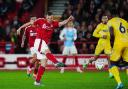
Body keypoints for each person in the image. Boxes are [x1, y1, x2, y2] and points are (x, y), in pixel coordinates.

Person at [17, 11, 74, 86]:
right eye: (48, 18)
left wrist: (68, 19)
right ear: (46, 17)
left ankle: (37, 81)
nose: (49, 19)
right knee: (47, 51)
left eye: (51, 18)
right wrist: (20, 28)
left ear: (52, 18)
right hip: (39, 40)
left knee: (44, 62)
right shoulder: (41, 20)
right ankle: (56, 62)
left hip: (43, 42)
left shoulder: (53, 23)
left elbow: (61, 23)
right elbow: (30, 23)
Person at [106, 16, 128, 89]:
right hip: (127, 42)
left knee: (112, 63)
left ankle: (119, 83)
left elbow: (111, 33)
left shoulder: (110, 21)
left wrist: (112, 40)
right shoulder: (124, 21)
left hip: (118, 43)